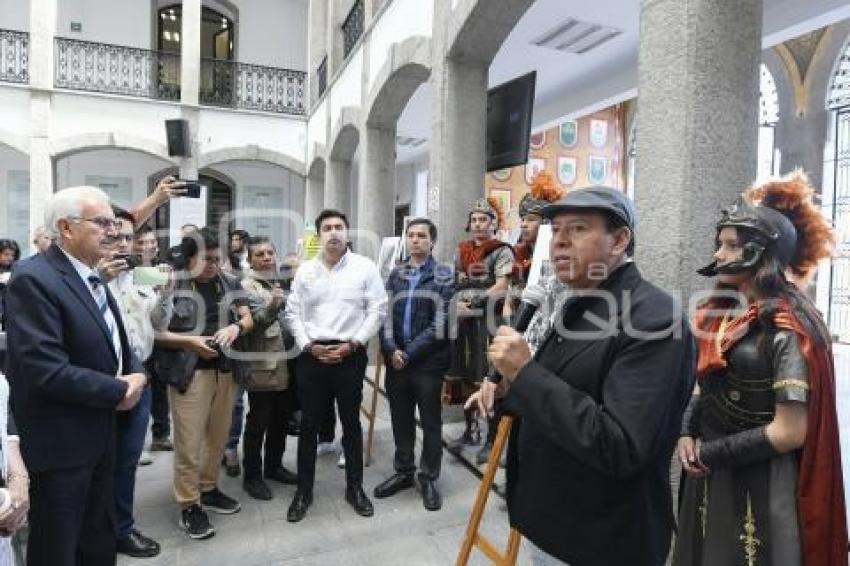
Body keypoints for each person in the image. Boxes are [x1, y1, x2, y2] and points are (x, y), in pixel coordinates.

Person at [468, 186, 695, 565]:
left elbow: (619, 444)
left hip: (602, 539)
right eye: (555, 230)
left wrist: (526, 373)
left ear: (619, 239)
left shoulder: (654, 319)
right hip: (553, 523)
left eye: (576, 229)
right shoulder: (580, 301)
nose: (559, 243)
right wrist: (510, 387)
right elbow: (566, 388)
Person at [673, 173, 848, 566]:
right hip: (712, 467)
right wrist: (687, 430)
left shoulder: (788, 327)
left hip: (764, 477)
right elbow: (706, 384)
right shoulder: (723, 312)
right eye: (720, 244)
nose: (719, 254)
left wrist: (710, 453)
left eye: (731, 245)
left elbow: (791, 431)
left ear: (762, 252)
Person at [4, 186, 147, 566]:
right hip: (62, 446)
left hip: (101, 435)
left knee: (96, 541)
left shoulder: (91, 275)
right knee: (58, 548)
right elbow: (44, 369)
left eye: (114, 223)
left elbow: (114, 338)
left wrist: (137, 373)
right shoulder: (33, 278)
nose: (114, 232)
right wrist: (118, 389)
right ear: (66, 228)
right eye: (102, 223)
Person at [284, 209, 387, 522]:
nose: (333, 233)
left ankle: (354, 488)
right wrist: (309, 346)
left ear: (347, 231)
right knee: (310, 425)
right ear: (319, 236)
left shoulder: (364, 267)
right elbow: (293, 314)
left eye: (339, 227)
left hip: (350, 355)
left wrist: (353, 344)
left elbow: (378, 310)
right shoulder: (306, 272)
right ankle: (304, 491)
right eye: (327, 228)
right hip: (312, 357)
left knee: (351, 424)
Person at [154, 227, 253, 540]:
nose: (213, 265)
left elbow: (248, 317)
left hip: (225, 370)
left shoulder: (230, 282)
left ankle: (209, 488)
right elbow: (155, 333)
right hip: (190, 372)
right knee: (188, 442)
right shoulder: (173, 285)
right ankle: (189, 504)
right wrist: (192, 342)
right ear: (189, 258)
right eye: (206, 259)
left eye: (217, 259)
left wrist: (236, 328)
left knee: (218, 437)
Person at [101, 209, 174, 558]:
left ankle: (121, 529)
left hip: (140, 372)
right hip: (99, 379)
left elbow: (157, 325)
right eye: (116, 237)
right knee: (96, 460)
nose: (123, 244)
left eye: (129, 238)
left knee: (127, 460)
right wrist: (99, 281)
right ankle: (97, 528)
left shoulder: (140, 276)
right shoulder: (87, 278)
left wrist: (166, 294)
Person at [374, 218, 454, 510]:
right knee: (400, 418)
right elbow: (384, 314)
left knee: (431, 422)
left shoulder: (444, 274)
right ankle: (404, 471)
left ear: (432, 241)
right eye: (411, 235)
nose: (415, 240)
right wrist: (391, 348)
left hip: (428, 363)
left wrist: (408, 353)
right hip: (396, 361)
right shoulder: (397, 274)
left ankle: (429, 476)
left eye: (422, 236)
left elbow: (441, 323)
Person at [448, 197, 513, 452]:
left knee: (489, 378)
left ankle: (492, 441)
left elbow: (501, 287)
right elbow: (454, 282)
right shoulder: (461, 249)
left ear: (492, 223)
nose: (477, 224)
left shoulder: (501, 250)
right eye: (474, 220)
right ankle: (471, 430)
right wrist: (455, 304)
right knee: (466, 376)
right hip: (463, 325)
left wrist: (471, 302)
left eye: (482, 219)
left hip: (488, 322)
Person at [239, 236, 298, 501]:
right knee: (258, 421)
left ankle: (273, 466)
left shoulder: (282, 281)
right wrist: (273, 304)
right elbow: (255, 323)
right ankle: (252, 476)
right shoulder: (245, 286)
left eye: (270, 252)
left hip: (288, 363)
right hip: (263, 364)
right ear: (250, 260)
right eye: (260, 254)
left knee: (281, 420)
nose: (266, 257)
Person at [134, 224, 174, 452]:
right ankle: (137, 444)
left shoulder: (161, 270)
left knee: (159, 390)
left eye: (151, 242)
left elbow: (162, 315)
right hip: (134, 343)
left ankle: (161, 434)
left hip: (158, 338)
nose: (147, 247)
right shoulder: (125, 272)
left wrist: (165, 289)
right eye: (141, 243)